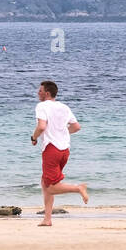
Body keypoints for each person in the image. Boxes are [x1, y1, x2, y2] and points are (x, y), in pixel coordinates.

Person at [31, 80, 88, 226]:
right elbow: (76, 127)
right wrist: (61, 133)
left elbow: (41, 126)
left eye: (40, 91)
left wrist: (34, 137)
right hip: (64, 150)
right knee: (45, 183)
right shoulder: (64, 107)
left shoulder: (42, 106)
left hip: (52, 149)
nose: (38, 93)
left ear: (47, 93)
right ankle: (47, 219)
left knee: (51, 186)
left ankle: (78, 188)